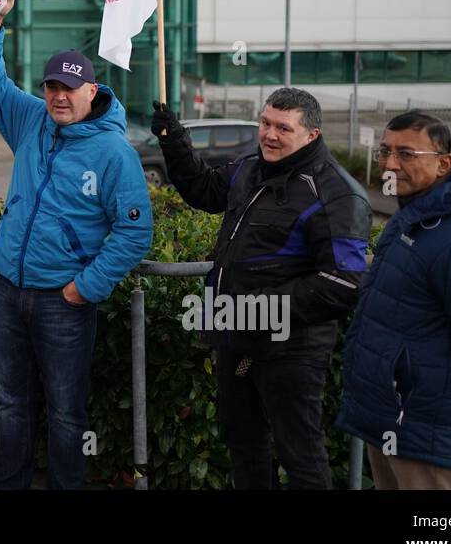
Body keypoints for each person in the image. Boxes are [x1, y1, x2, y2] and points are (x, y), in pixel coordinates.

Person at [0, 0, 153, 489]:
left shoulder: (114, 152)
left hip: (64, 303)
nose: (59, 97)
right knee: (11, 403)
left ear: (92, 91)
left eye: (70, 88)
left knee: (67, 413)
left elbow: (135, 231)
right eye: (52, 86)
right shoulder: (32, 120)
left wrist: (84, 289)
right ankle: (10, 484)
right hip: (10, 290)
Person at [151, 87, 370, 489]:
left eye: (283, 128)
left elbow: (343, 282)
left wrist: (258, 309)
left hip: (292, 350)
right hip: (237, 340)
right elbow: (204, 190)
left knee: (300, 454)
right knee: (244, 442)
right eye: (265, 123)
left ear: (311, 135)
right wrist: (174, 141)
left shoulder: (337, 193)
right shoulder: (250, 168)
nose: (269, 134)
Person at [337, 112, 451, 490]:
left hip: (429, 431)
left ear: (443, 164)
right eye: (385, 152)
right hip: (394, 422)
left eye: (406, 154)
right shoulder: (410, 219)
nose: (390, 164)